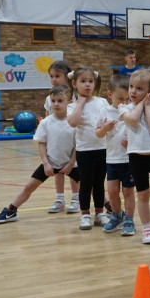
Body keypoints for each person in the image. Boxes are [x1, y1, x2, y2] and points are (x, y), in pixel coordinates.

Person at [0, 87, 77, 224]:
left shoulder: (74, 123)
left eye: (60, 101)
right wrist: (46, 163)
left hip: (71, 164)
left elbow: (77, 146)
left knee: (90, 187)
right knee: (29, 187)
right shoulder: (45, 122)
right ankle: (11, 211)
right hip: (51, 163)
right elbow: (41, 144)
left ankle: (110, 209)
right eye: (53, 101)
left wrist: (71, 163)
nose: (56, 104)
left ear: (70, 102)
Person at [122, 68, 150, 244]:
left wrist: (148, 105)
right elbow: (131, 119)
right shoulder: (124, 107)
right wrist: (142, 103)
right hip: (136, 158)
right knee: (143, 194)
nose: (133, 91)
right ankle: (147, 227)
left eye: (139, 88)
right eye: (131, 86)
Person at [67, 66, 110, 230]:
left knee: (99, 182)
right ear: (74, 83)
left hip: (103, 149)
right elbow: (73, 122)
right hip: (84, 151)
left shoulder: (102, 102)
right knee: (86, 184)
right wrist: (80, 103)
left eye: (90, 81)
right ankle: (85, 214)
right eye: (83, 81)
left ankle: (100, 213)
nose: (87, 85)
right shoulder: (73, 106)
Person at [96, 74, 136, 236]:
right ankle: (117, 215)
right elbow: (98, 133)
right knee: (112, 191)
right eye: (121, 99)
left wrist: (131, 142)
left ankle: (129, 219)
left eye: (128, 99)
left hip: (128, 160)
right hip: (112, 159)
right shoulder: (104, 111)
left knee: (128, 192)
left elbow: (140, 133)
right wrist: (105, 129)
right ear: (110, 95)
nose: (125, 103)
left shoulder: (131, 111)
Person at [43, 60, 80, 214]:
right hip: (56, 143)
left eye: (57, 76)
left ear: (67, 76)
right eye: (51, 76)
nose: (54, 79)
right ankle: (59, 200)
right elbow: (46, 118)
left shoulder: (76, 98)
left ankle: (76, 200)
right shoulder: (49, 98)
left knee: (73, 172)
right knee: (58, 171)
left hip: (73, 141)